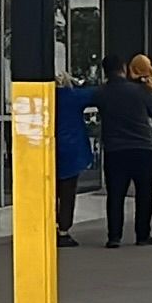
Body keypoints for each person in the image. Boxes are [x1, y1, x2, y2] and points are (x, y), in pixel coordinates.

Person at [97, 55, 152, 247]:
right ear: (124, 68)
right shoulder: (138, 91)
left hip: (115, 150)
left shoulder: (102, 93)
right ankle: (142, 235)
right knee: (144, 193)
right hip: (143, 148)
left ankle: (114, 236)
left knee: (115, 194)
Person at [50, 70, 99, 248]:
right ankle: (63, 230)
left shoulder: (45, 98)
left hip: (48, 149)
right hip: (71, 150)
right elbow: (95, 94)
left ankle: (48, 226)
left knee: (49, 193)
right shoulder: (73, 96)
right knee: (67, 193)